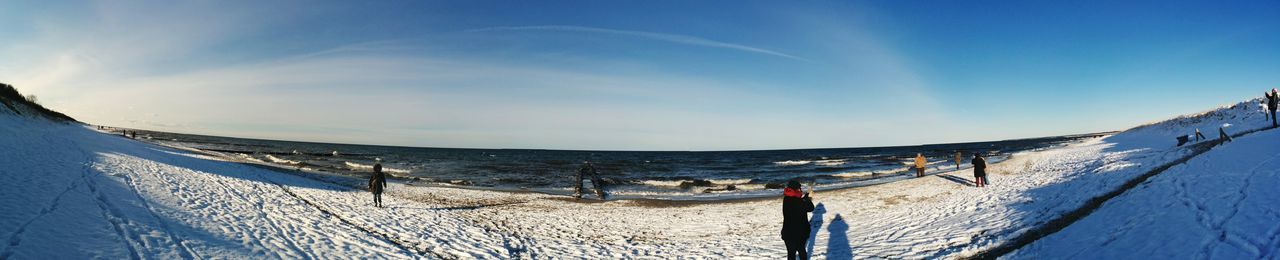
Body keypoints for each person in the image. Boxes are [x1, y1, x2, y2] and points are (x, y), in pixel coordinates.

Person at [780, 180, 814, 260]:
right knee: (801, 251)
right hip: (799, 233)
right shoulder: (799, 202)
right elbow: (810, 208)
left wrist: (805, 198)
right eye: (799, 189)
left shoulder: (786, 199)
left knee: (791, 253)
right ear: (795, 190)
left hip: (788, 233)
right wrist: (808, 199)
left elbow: (799, 203)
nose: (801, 191)